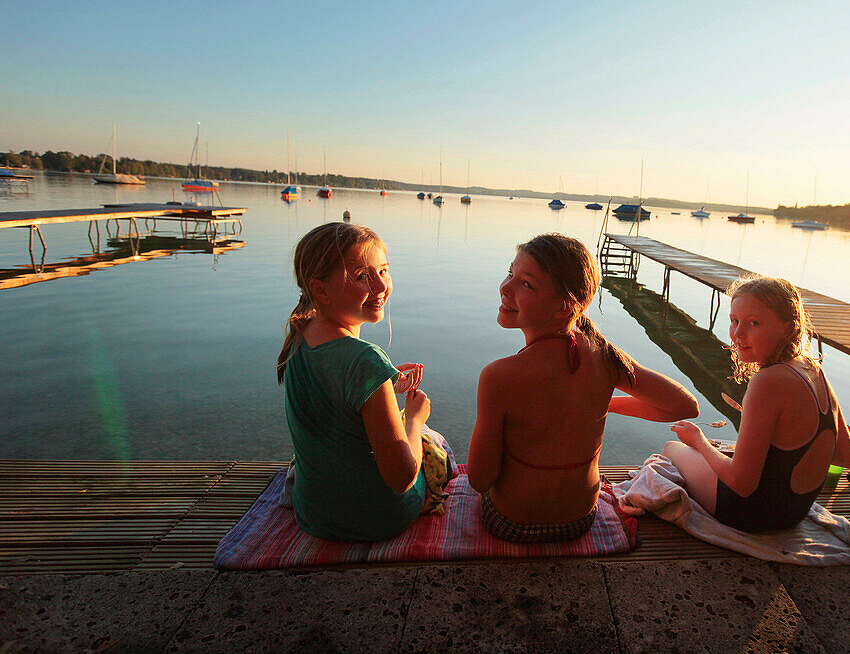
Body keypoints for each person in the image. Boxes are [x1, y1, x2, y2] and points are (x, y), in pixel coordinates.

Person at [469, 233, 699, 543]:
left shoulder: (499, 375)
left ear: (564, 308)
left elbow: (480, 480)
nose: (505, 287)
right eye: (511, 273)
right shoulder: (604, 356)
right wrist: (600, 403)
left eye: (526, 284)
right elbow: (684, 406)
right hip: (580, 520)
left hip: (513, 523)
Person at [276, 222, 433, 542]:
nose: (380, 286)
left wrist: (385, 386)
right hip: (377, 520)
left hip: (314, 514)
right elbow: (401, 478)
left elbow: (336, 402)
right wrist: (415, 419)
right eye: (362, 276)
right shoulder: (364, 360)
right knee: (432, 442)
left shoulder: (300, 337)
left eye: (384, 271)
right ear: (320, 289)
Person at [664, 275, 850, 533]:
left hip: (752, 514)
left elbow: (741, 483)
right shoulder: (813, 369)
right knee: (710, 454)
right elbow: (846, 457)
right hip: (795, 513)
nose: (738, 334)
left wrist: (697, 438)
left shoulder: (767, 381)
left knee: (672, 449)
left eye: (753, 323)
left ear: (787, 329)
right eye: (734, 321)